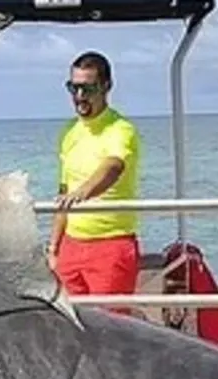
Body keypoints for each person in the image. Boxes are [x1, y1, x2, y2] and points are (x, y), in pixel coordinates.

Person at [47, 51, 141, 315]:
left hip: (110, 244)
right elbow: (63, 191)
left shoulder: (121, 129)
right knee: (68, 322)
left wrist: (83, 193)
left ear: (106, 87)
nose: (80, 96)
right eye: (73, 88)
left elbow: (113, 167)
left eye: (87, 89)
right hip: (71, 245)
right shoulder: (69, 132)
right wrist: (54, 248)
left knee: (111, 326)